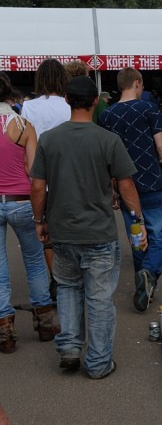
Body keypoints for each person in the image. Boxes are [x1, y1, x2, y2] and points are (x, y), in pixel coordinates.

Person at [30, 76, 146, 378]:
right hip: (99, 233)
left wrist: (39, 221)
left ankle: (69, 348)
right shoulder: (108, 140)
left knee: (67, 288)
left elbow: (38, 187)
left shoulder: (49, 139)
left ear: (67, 101)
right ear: (96, 101)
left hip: (62, 231)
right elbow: (126, 185)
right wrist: (138, 222)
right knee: (99, 299)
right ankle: (97, 363)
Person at [100, 67, 162, 313]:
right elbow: (161, 145)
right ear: (137, 83)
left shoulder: (108, 115)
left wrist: (112, 189)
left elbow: (106, 157)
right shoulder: (148, 108)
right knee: (158, 236)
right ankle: (150, 273)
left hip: (125, 186)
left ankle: (143, 285)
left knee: (138, 237)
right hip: (151, 181)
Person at [0, 73, 57, 354]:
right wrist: (40, 214)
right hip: (22, 200)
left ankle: (5, 330)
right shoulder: (24, 126)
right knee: (34, 260)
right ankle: (45, 323)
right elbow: (35, 173)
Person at [20, 58, 71, 298]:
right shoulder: (70, 104)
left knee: (47, 231)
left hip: (42, 175)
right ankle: (73, 275)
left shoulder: (29, 107)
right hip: (70, 174)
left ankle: (56, 277)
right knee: (71, 228)